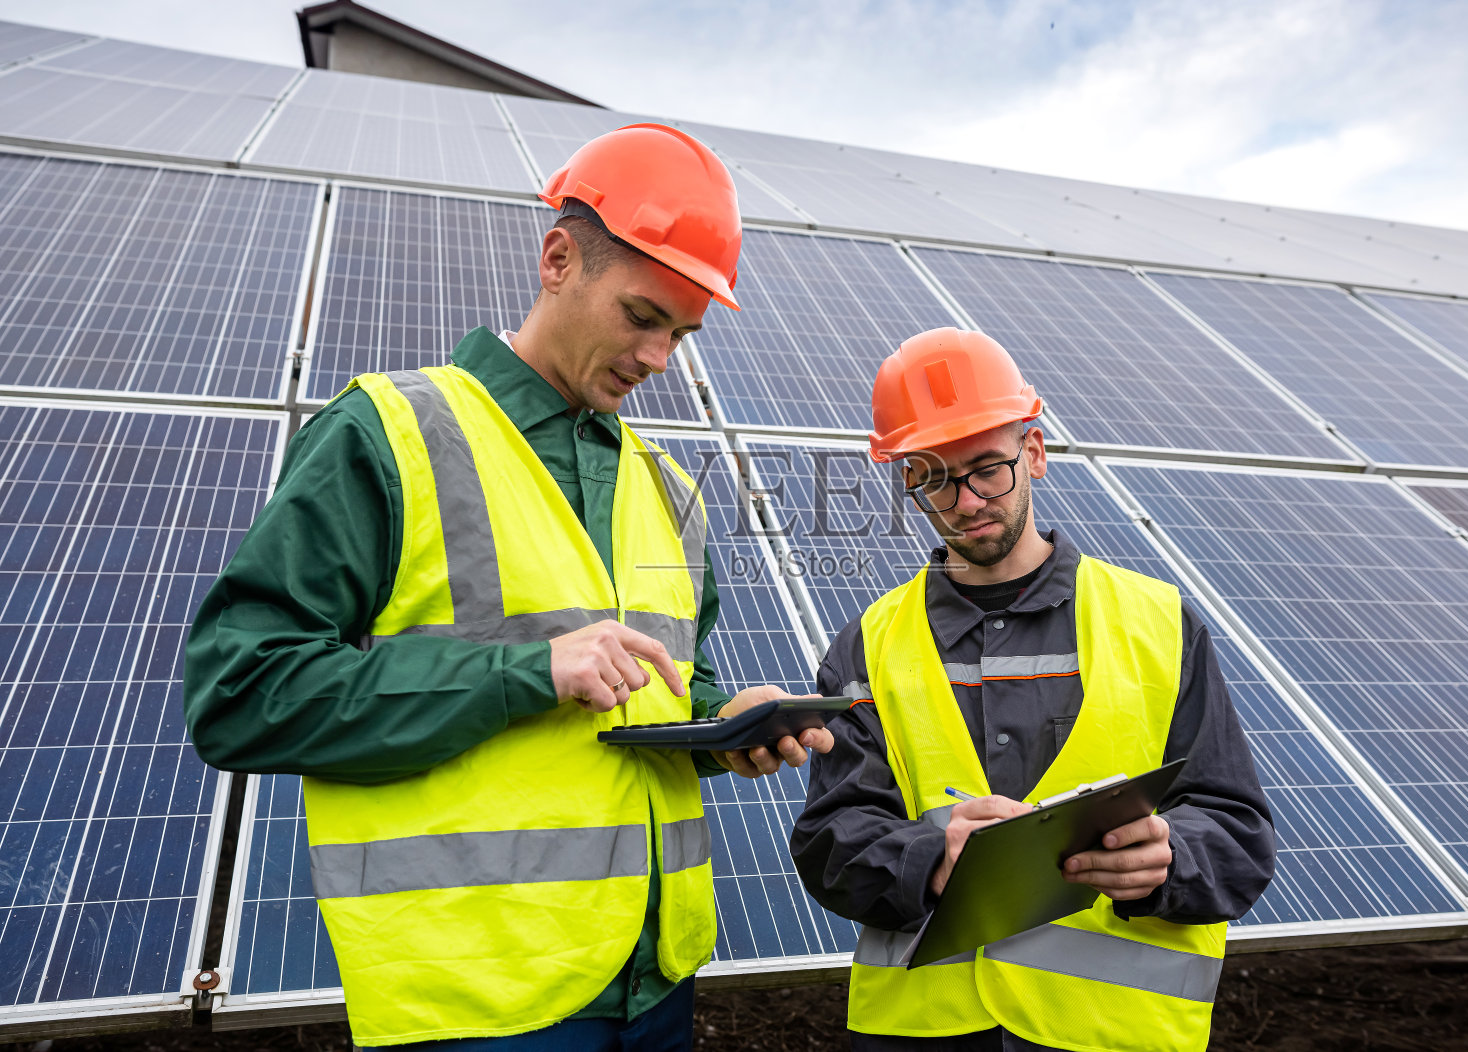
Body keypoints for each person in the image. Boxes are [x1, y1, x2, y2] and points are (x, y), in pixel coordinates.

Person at [184, 124, 832, 1050]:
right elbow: (240, 696)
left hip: (658, 986)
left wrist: (730, 725)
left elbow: (657, 692)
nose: (659, 360)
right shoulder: (388, 434)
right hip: (479, 1004)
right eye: (644, 317)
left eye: (682, 337)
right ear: (559, 260)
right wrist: (523, 675)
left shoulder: (668, 489)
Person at [790, 327, 1274, 1051]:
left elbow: (1239, 832)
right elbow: (831, 842)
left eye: (988, 467)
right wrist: (928, 855)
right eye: (932, 477)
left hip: (1113, 1034)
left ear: (1036, 453)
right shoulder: (870, 643)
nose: (966, 500)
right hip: (922, 1034)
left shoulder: (1159, 624)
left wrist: (1172, 855)